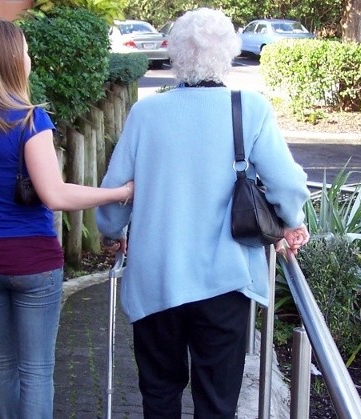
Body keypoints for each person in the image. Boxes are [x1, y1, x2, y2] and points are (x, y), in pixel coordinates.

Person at [96, 8, 310, 419]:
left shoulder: (146, 113)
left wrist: (113, 231)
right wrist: (292, 224)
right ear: (229, 53)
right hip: (224, 282)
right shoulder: (250, 109)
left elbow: (111, 199)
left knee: (159, 396)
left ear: (175, 54)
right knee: (216, 402)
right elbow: (286, 185)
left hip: (157, 280)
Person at [0, 19, 133, 419]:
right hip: (31, 261)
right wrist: (120, 192)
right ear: (12, 60)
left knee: (1, 364)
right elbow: (55, 194)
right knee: (36, 370)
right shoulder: (30, 120)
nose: (29, 57)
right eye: (25, 50)